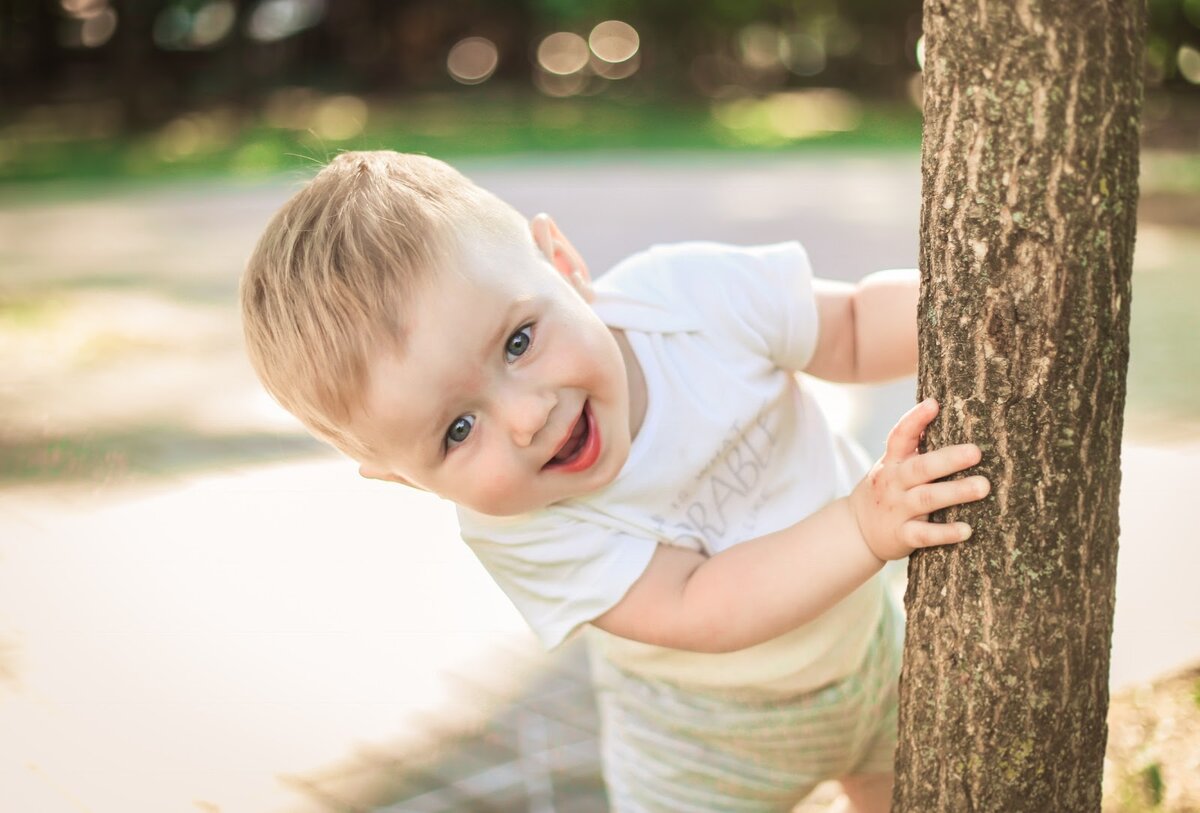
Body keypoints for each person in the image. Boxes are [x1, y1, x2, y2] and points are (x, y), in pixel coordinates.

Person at [240, 150, 990, 812]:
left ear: (563, 263)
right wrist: (862, 524)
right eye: (457, 430)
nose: (527, 416)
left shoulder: (685, 298)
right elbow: (700, 602)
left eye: (519, 341)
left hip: (874, 652)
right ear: (402, 477)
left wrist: (972, 311)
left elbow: (853, 326)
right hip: (704, 741)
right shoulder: (519, 529)